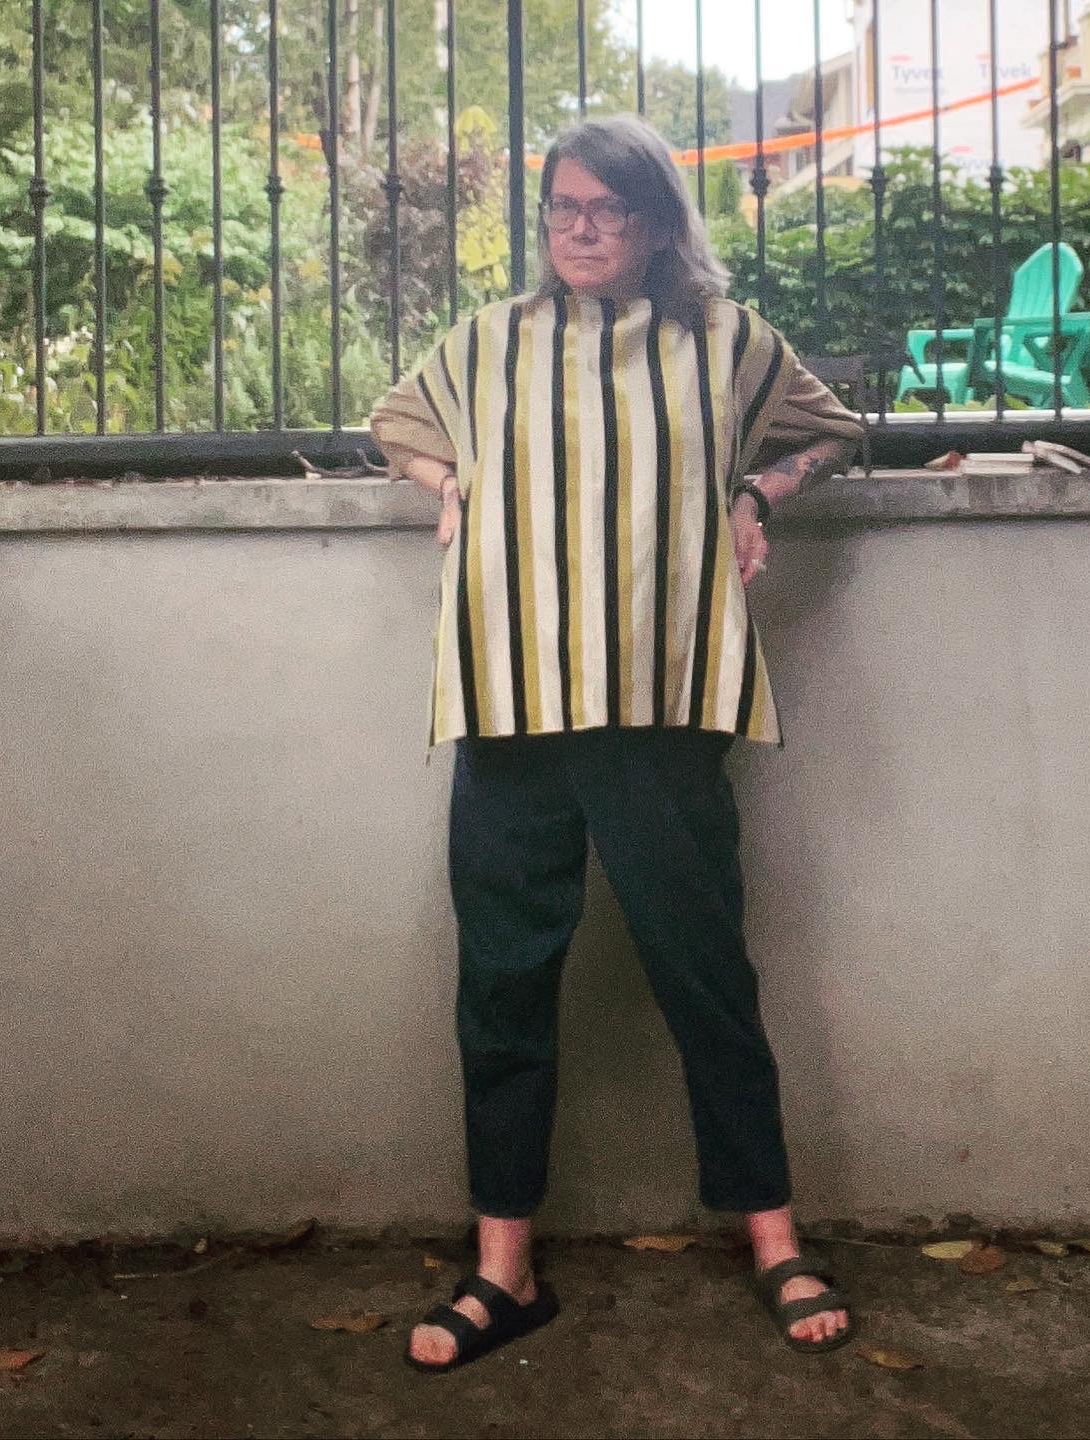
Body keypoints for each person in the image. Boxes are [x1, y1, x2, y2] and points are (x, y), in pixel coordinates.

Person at [369, 114, 864, 1374]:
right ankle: (503, 1269)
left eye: (609, 210)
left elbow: (834, 432)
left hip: (660, 706)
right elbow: (398, 423)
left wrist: (756, 493)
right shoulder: (485, 343)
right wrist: (446, 485)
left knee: (706, 976)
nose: (582, 230)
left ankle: (773, 1238)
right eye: (563, 209)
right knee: (502, 989)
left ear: (654, 223)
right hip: (511, 708)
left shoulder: (727, 342)